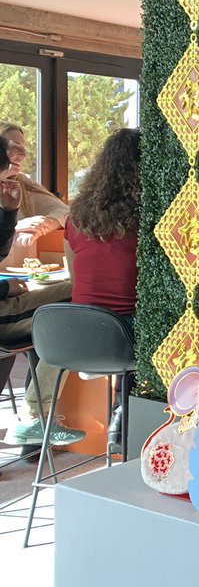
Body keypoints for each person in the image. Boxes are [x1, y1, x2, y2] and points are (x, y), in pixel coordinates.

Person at [0, 138, 81, 447]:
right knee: (79, 305)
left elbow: (62, 212)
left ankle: (35, 418)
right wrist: (5, 286)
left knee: (78, 293)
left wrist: (8, 213)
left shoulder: (22, 188)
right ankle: (35, 417)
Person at [63, 128, 140, 447]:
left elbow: (73, 279)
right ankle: (129, 412)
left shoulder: (76, 218)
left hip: (75, 337)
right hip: (121, 337)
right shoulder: (147, 219)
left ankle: (41, 415)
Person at [0, 124, 70, 267]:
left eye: (24, 148)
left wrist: (41, 226)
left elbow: (67, 212)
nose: (24, 155)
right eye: (15, 147)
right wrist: (17, 226)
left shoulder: (23, 183)